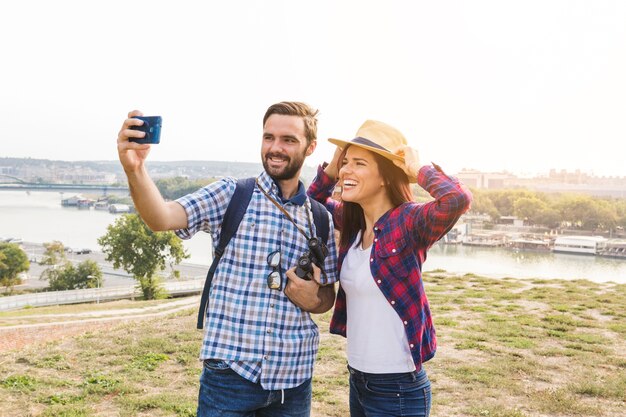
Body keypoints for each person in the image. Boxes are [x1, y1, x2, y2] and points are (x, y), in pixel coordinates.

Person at [116, 101, 338, 417]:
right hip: (230, 376)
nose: (275, 148)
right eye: (268, 137)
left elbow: (328, 296)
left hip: (294, 380)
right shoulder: (232, 194)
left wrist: (313, 298)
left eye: (288, 140)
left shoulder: (321, 219)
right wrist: (135, 169)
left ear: (310, 147)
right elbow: (160, 217)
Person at [306, 120, 472, 417]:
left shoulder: (408, 222)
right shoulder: (352, 224)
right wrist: (332, 169)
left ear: (385, 176)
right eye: (346, 163)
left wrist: (417, 171)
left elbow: (456, 200)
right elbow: (310, 205)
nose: (347, 171)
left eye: (359, 163)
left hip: (397, 389)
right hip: (358, 380)